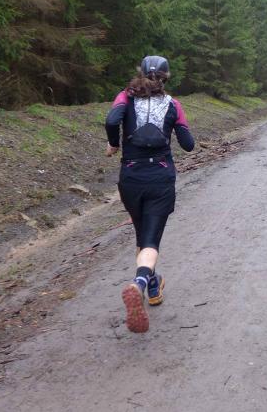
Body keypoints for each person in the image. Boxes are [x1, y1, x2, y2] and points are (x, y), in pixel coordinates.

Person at [104, 55, 195, 333]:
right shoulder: (173, 105)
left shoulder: (125, 97)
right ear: (166, 77)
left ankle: (154, 286)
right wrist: (176, 127)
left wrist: (114, 144)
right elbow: (188, 145)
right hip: (159, 177)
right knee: (151, 241)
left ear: (140, 73)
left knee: (142, 236)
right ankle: (140, 283)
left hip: (131, 177)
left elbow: (112, 120)